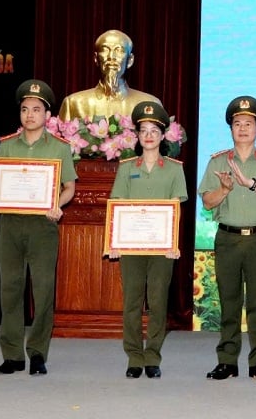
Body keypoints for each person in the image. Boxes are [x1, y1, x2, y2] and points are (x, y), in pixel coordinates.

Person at [0, 79, 78, 376]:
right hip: (10, 225)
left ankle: (37, 353)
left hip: (42, 226)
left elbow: (70, 187)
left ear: (47, 115)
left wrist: (57, 206)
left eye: (36, 110)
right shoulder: (6, 144)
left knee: (43, 290)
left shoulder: (60, 148)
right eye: (25, 109)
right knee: (10, 290)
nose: (30, 115)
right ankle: (12, 355)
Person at [197, 95, 256, 382]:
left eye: (248, 123)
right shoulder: (218, 161)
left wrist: (250, 184)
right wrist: (224, 189)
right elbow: (208, 203)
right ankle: (227, 360)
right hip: (228, 239)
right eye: (237, 123)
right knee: (229, 301)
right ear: (231, 128)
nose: (243, 128)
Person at [109, 101, 188, 380]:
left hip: (161, 248)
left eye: (155, 130)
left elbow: (175, 211)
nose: (149, 135)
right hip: (131, 247)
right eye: (144, 130)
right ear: (137, 136)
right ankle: (134, 355)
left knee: (157, 302)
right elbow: (117, 206)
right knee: (132, 302)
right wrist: (115, 243)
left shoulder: (174, 169)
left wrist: (173, 244)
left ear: (164, 135)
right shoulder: (126, 167)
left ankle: (152, 355)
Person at [58, 29, 161, 121]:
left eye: (119, 50)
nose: (111, 57)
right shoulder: (74, 103)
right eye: (105, 50)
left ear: (130, 60)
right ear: (96, 58)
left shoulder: (149, 104)